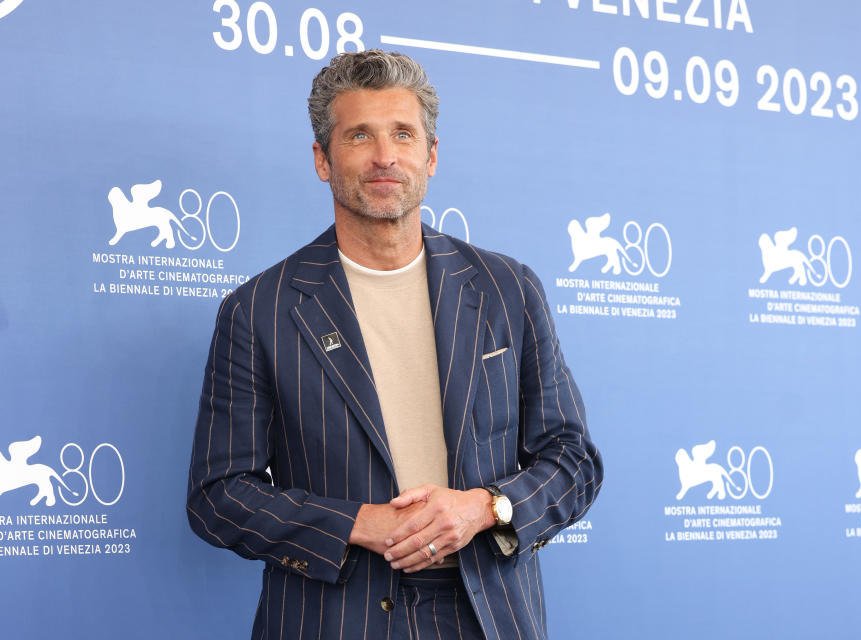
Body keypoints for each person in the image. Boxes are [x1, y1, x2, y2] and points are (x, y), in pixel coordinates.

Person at [186, 49, 602, 640]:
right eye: (359, 135)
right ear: (322, 160)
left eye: (403, 134)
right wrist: (357, 523)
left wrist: (484, 508)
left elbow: (574, 461)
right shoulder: (259, 309)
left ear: (430, 156)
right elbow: (218, 497)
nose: (385, 156)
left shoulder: (508, 289)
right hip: (331, 616)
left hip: (485, 612)